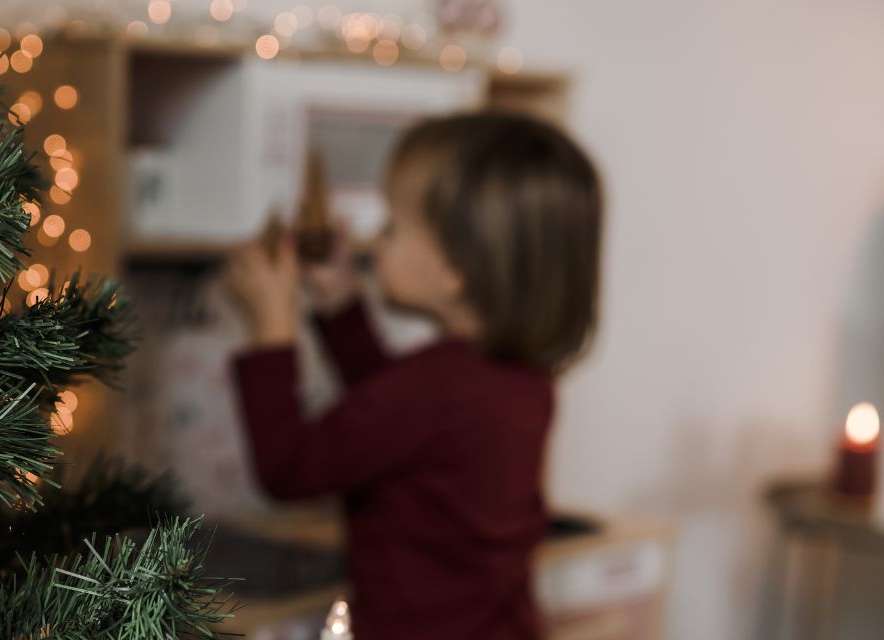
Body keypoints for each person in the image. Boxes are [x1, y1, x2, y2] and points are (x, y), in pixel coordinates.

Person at [222, 111, 604, 639]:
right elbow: (391, 420)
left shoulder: (437, 387)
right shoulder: (515, 379)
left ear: (456, 272)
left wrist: (270, 325)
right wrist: (339, 300)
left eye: (392, 228)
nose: (375, 241)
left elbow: (289, 469)